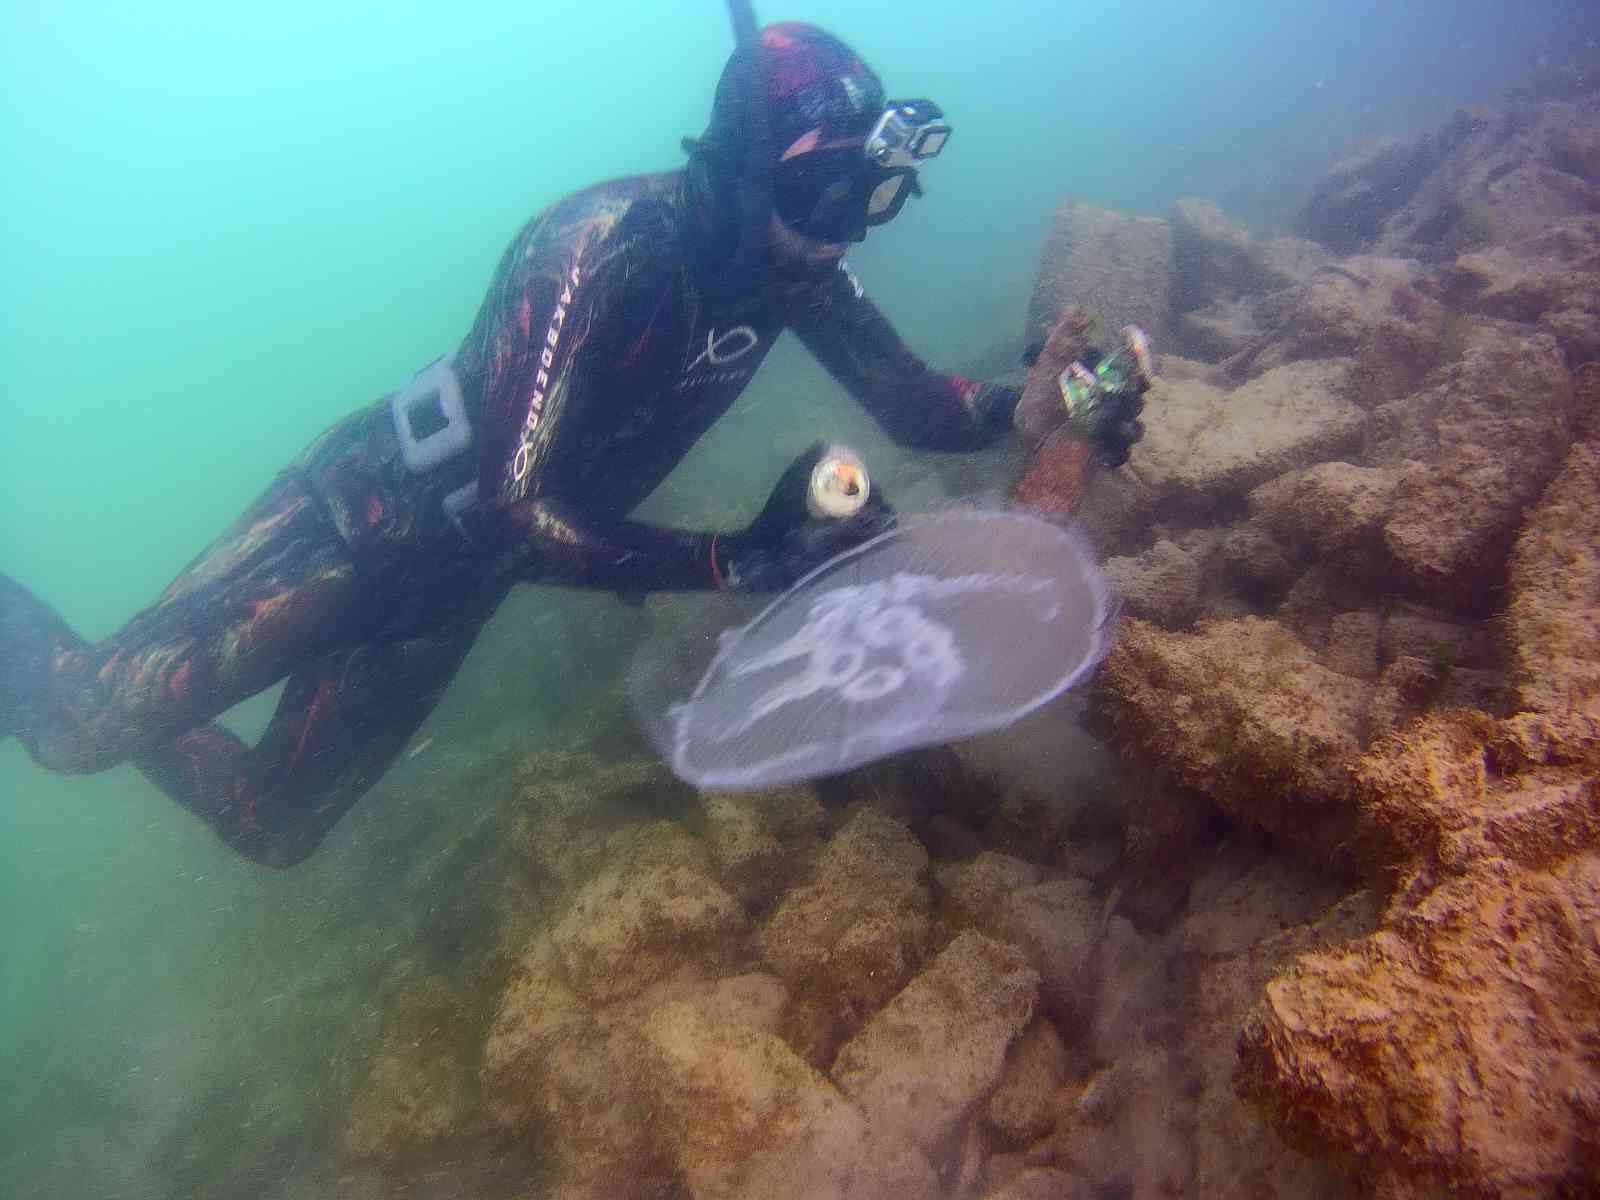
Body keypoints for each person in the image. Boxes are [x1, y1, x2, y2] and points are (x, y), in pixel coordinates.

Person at [0, 22, 1145, 867]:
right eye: (828, 193)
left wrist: (1036, 408)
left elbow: (916, 409)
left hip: (454, 590)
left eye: (870, 200)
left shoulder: (795, 272)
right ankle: (91, 670)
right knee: (80, 729)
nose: (843, 232)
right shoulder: (597, 248)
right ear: (747, 163)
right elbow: (511, 505)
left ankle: (148, 681)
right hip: (364, 524)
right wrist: (726, 560)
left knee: (269, 825)